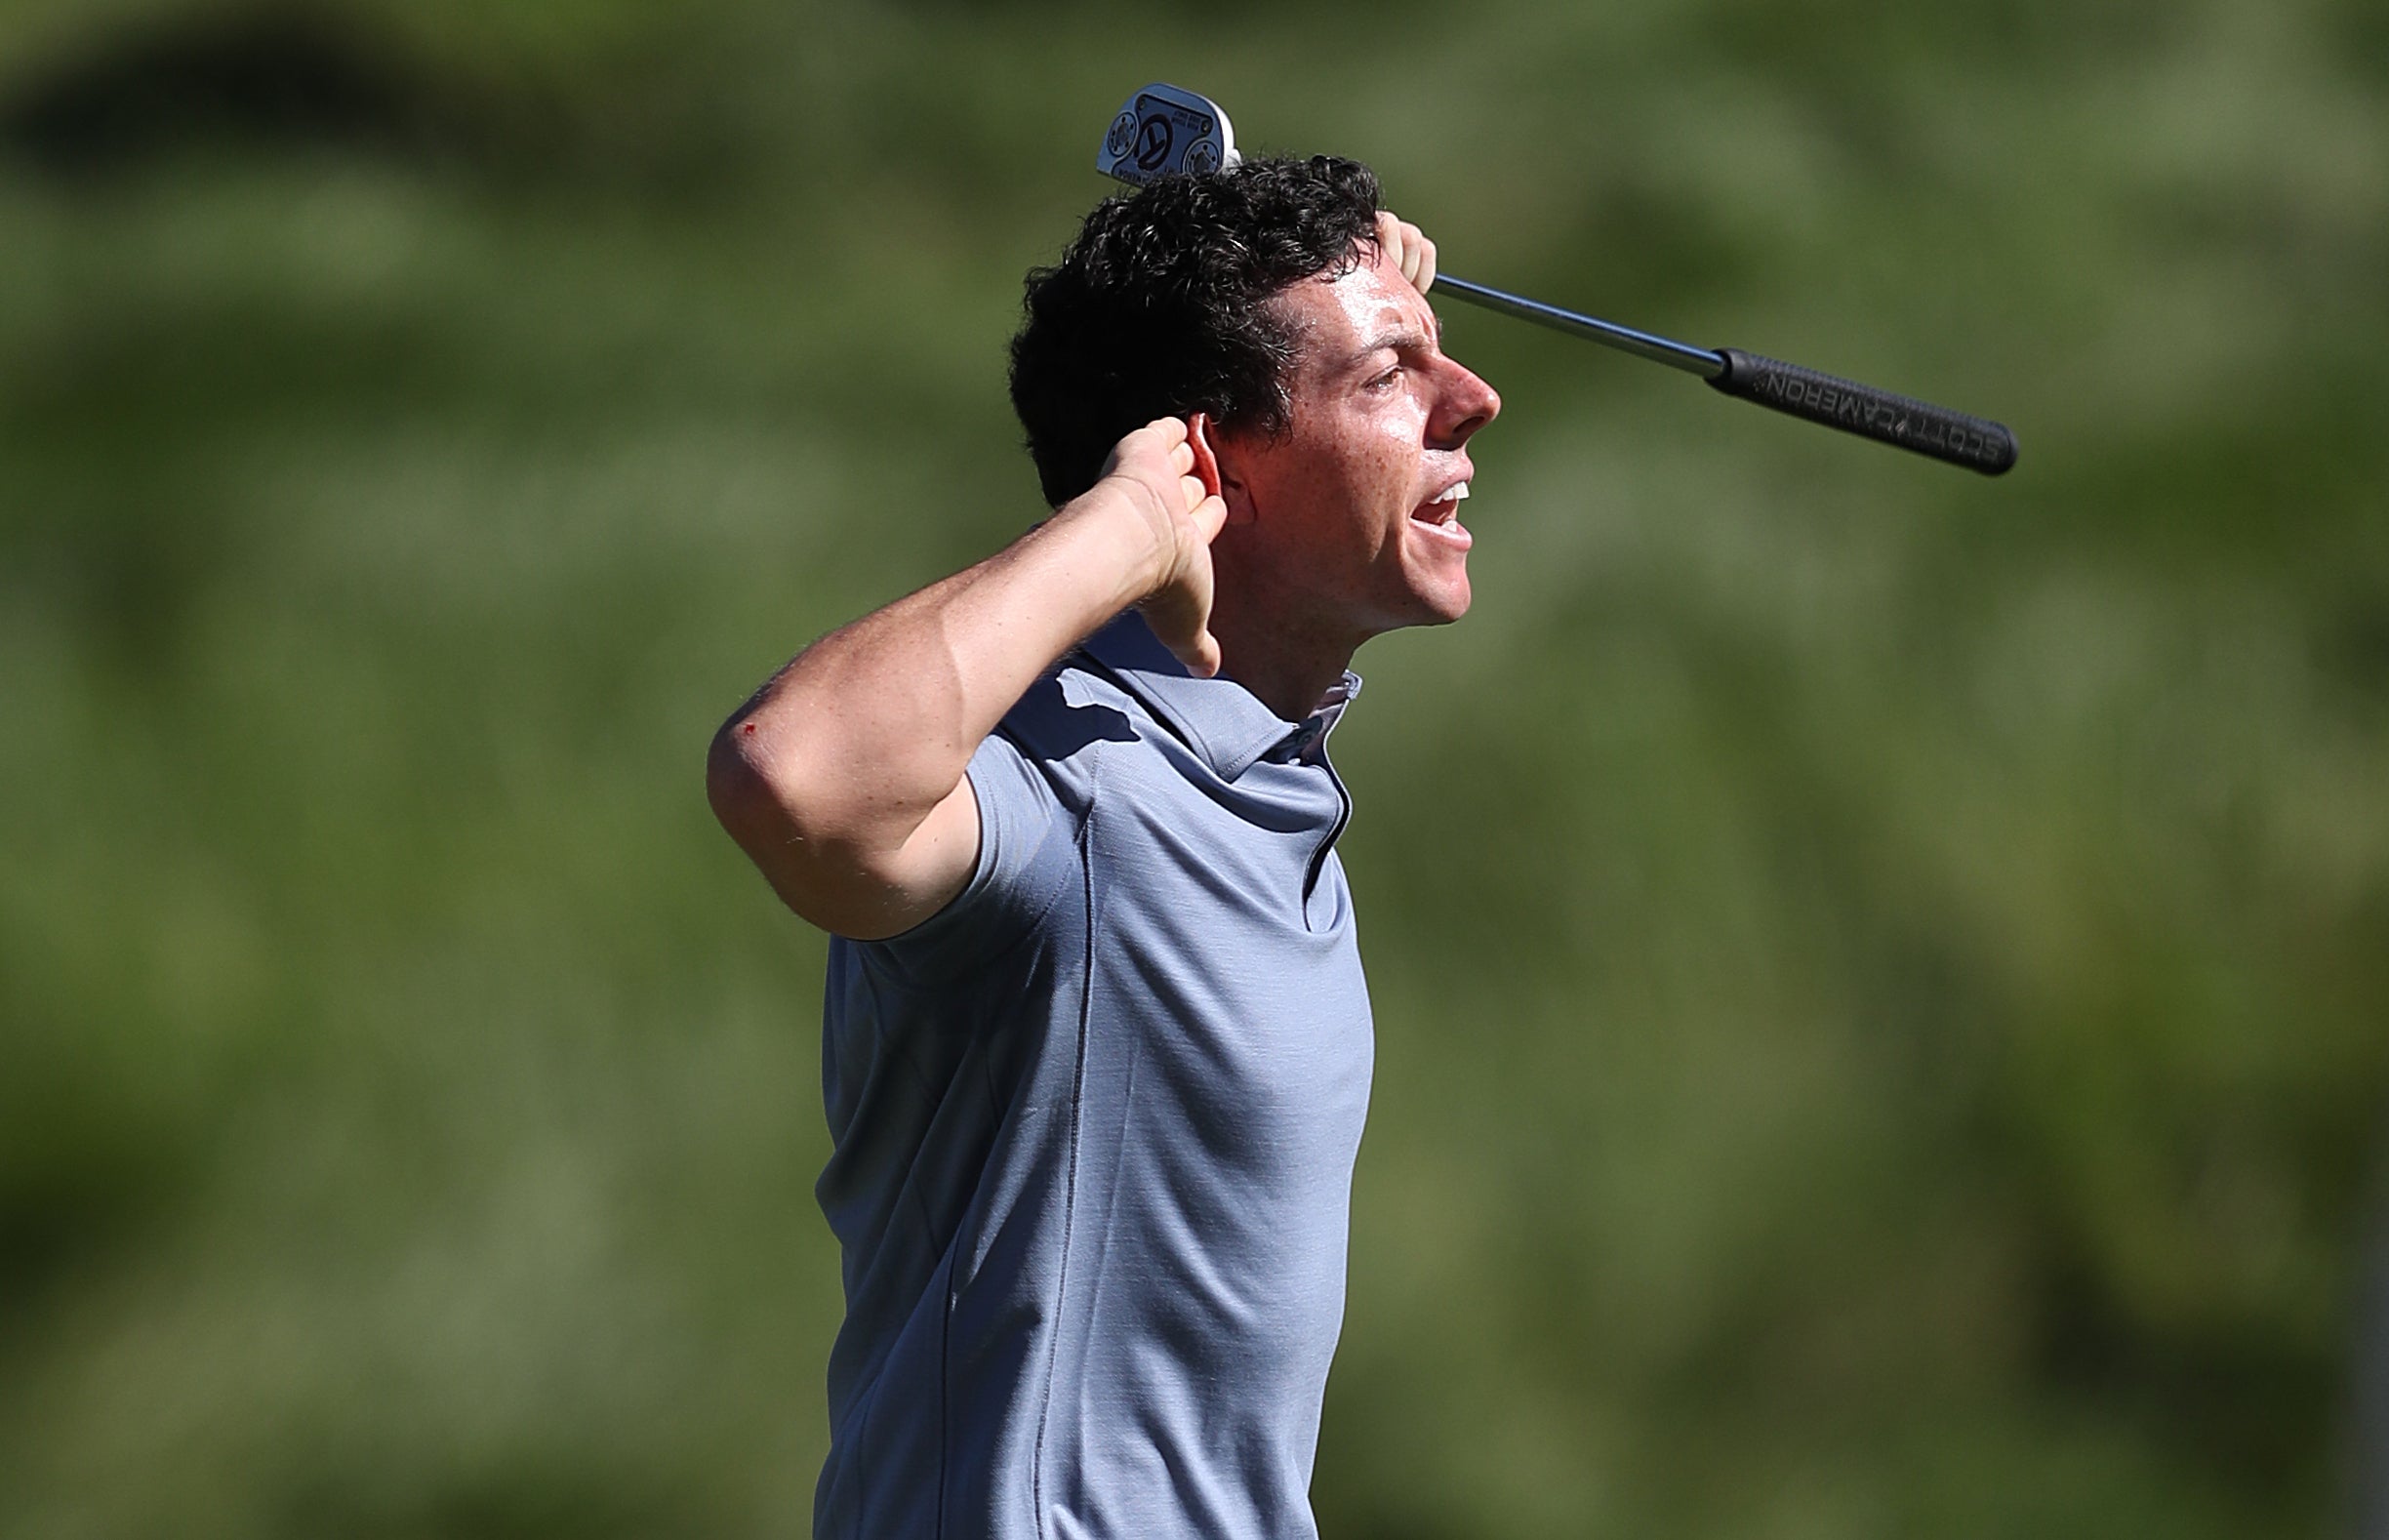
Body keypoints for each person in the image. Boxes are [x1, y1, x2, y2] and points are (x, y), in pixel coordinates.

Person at [707, 155, 1500, 1540]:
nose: (1473, 400)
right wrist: (1127, 522)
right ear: (1213, 466)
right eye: (1391, 381)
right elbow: (796, 774)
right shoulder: (1067, 779)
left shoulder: (1261, 775)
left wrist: (1376, 312)